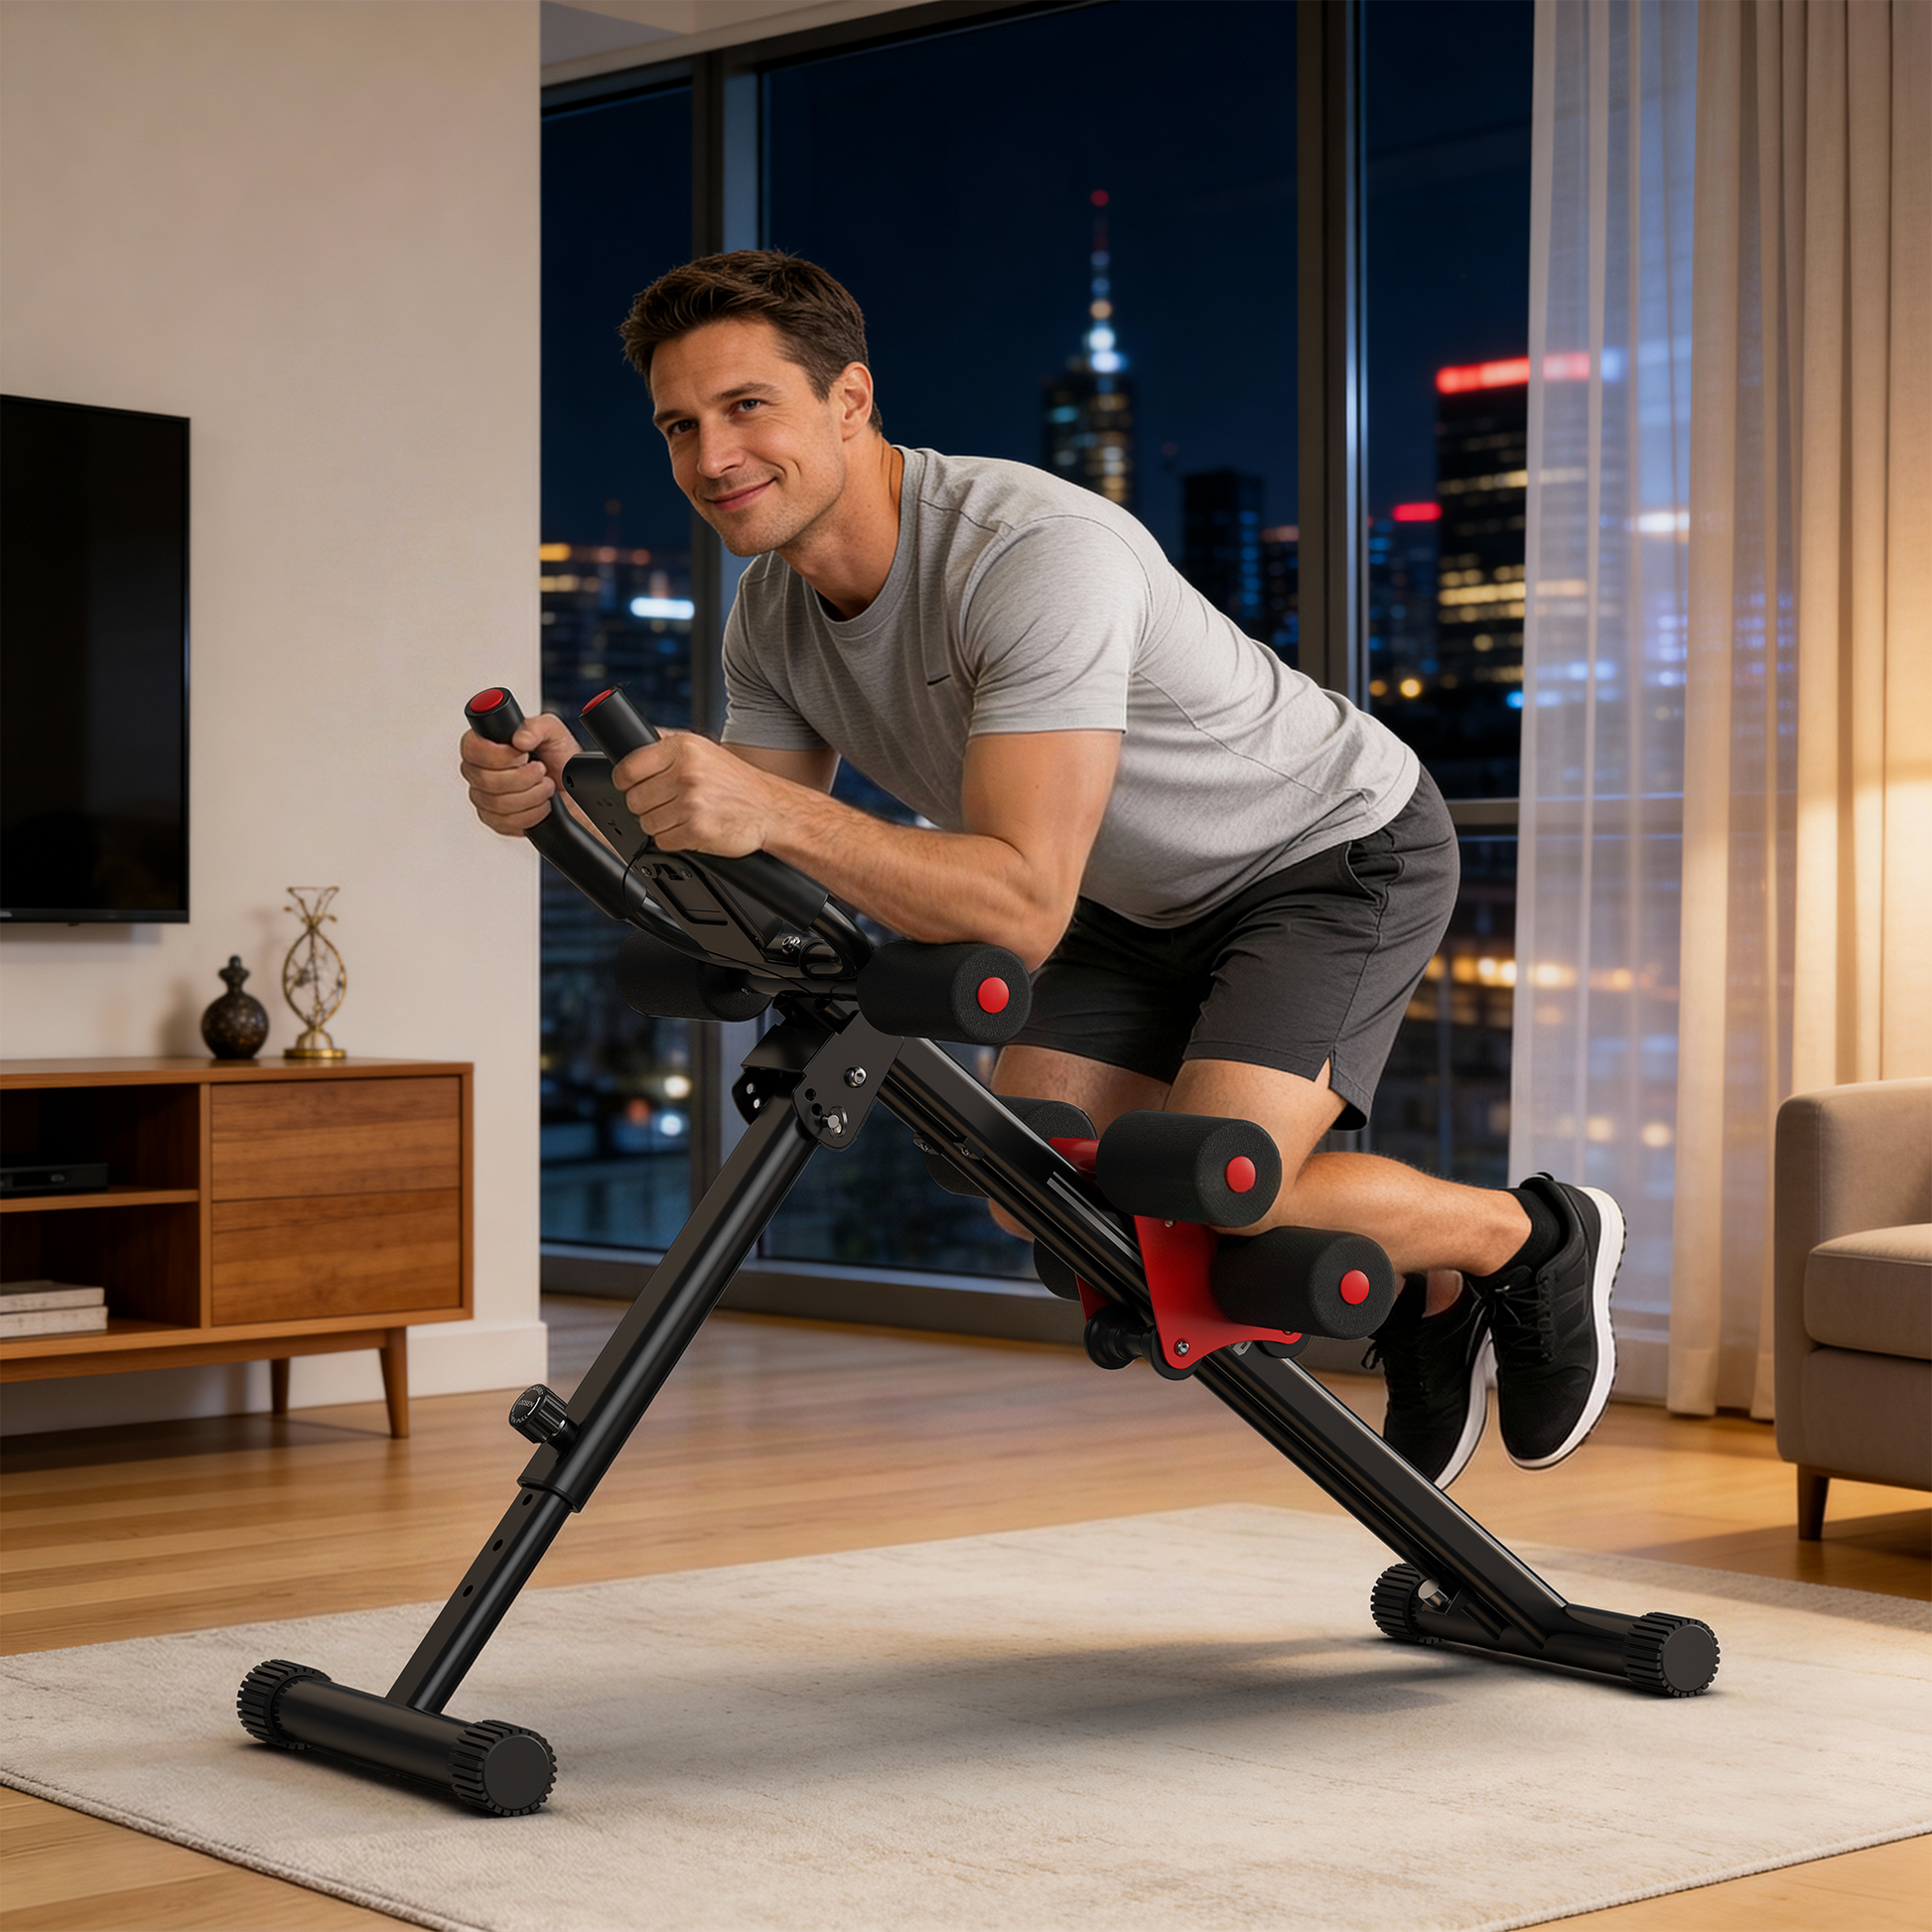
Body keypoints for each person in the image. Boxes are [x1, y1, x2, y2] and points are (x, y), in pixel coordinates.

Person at [461, 250, 1622, 1489]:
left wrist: (764, 813)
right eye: (680, 426)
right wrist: (573, 801)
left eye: (748, 406)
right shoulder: (769, 617)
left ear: (849, 400)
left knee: (1214, 1174)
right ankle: (1430, 1295)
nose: (710, 457)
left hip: (1320, 852)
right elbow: (758, 878)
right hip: (1119, 895)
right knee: (1039, 1181)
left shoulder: (1029, 553)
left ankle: (1529, 1234)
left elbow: (1010, 898)